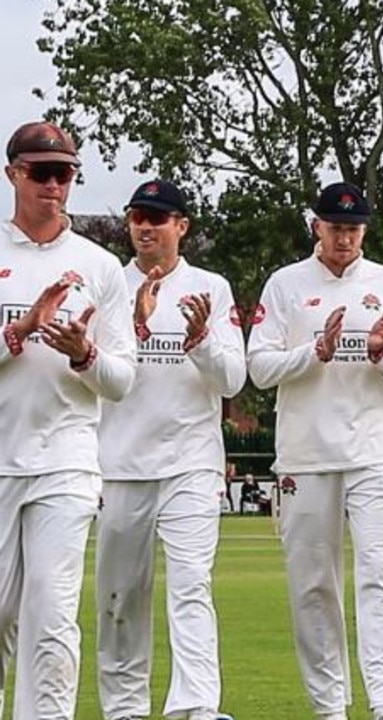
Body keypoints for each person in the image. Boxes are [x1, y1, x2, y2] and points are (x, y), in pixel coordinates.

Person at [247, 182, 383, 720]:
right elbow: (258, 367)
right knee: (313, 584)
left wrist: (381, 353)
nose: (344, 237)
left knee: (378, 571)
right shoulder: (286, 285)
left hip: (374, 448)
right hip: (306, 452)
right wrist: (313, 352)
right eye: (334, 227)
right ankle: (329, 707)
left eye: (352, 228)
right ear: (316, 226)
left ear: (364, 230)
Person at [0, 120, 136, 717]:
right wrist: (20, 332)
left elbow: (122, 380)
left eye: (64, 174)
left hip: (66, 461)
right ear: (13, 175)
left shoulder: (100, 267)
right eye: (40, 173)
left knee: (52, 618)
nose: (53, 186)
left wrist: (84, 353)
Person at [96, 179, 245, 720]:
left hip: (191, 462)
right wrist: (133, 324)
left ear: (181, 226)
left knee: (190, 584)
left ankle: (197, 705)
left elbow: (232, 380)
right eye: (138, 216)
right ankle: (124, 708)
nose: (145, 226)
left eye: (158, 218)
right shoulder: (107, 283)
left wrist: (201, 338)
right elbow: (97, 370)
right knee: (120, 596)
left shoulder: (210, 286)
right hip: (120, 462)